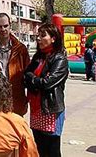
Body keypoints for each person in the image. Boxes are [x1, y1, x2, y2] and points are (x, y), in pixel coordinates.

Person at [24, 23, 68, 157]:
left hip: (50, 110)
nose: (38, 39)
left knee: (52, 151)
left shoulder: (59, 59)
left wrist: (33, 78)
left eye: (43, 35)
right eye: (38, 36)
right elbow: (26, 76)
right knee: (40, 150)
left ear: (53, 38)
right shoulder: (38, 58)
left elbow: (47, 83)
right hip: (36, 110)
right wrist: (34, 79)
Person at [0, 13, 30, 116]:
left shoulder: (21, 49)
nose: (3, 29)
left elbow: (28, 74)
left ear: (10, 25)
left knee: (16, 130)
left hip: (16, 98)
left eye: (5, 26)